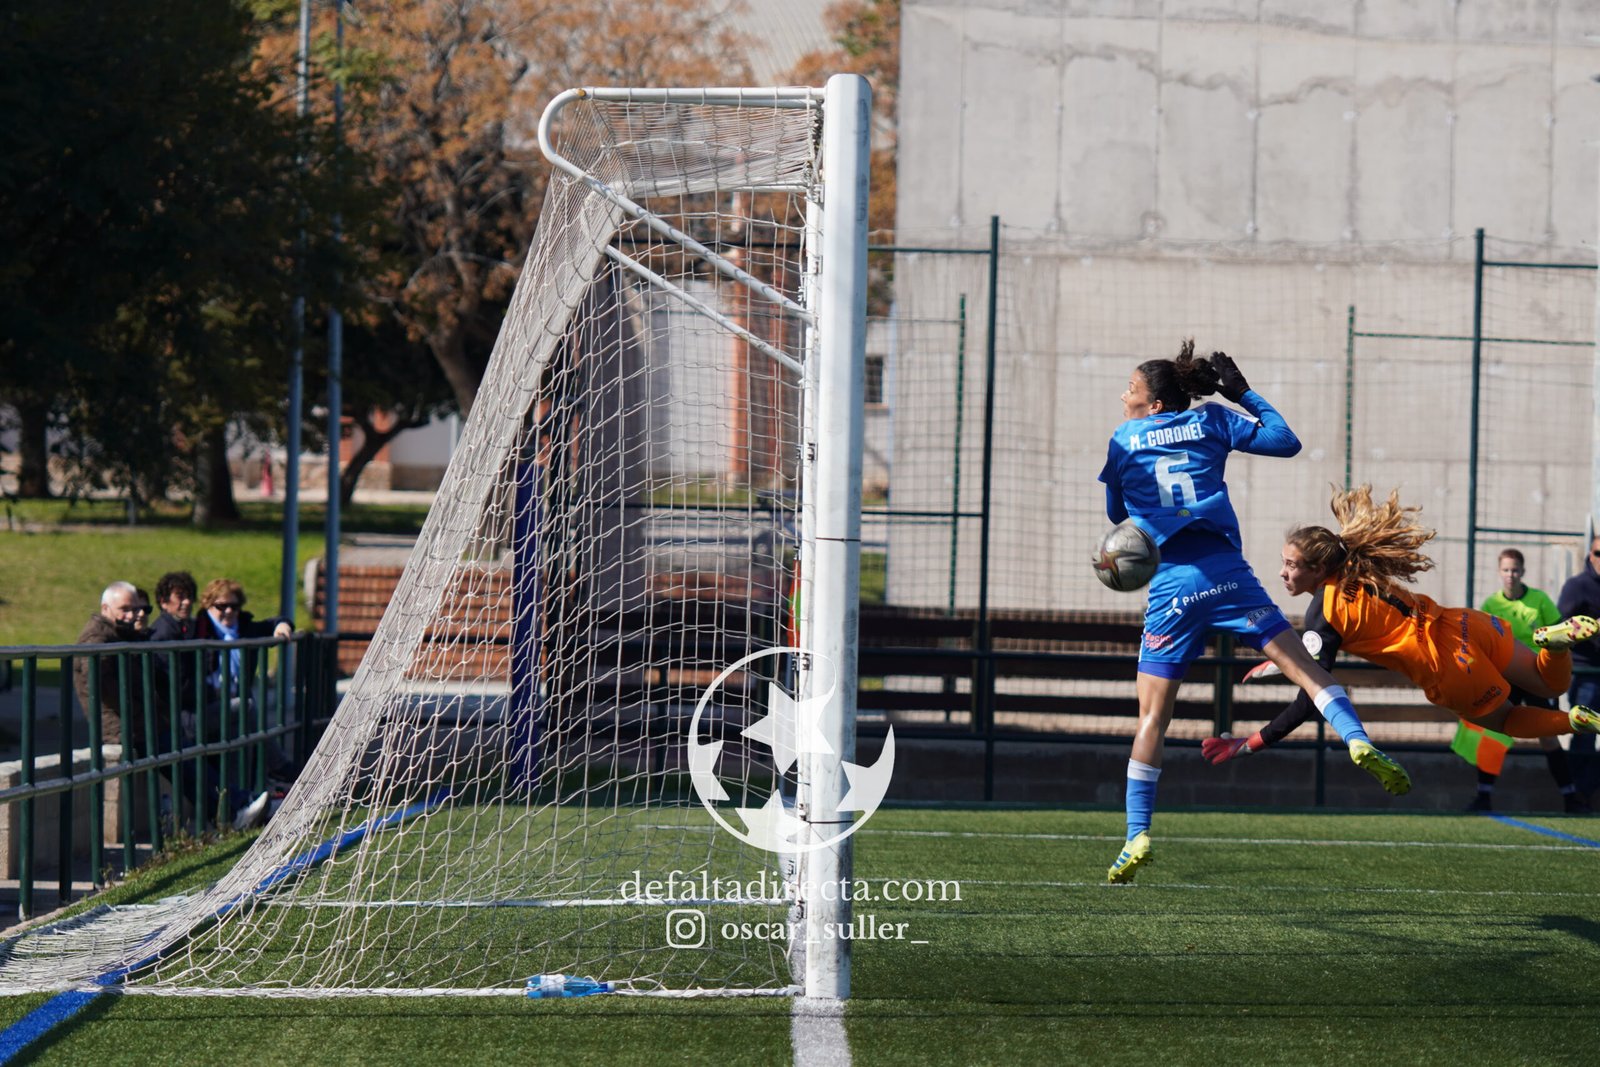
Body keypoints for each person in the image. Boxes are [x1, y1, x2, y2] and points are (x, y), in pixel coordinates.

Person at [1098, 343, 1410, 885]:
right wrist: (1242, 394)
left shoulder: (1124, 439)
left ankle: (1137, 833)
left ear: (1152, 405)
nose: (1123, 395)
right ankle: (1357, 739)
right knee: (1309, 673)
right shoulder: (1215, 419)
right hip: (1227, 576)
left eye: (1130, 388)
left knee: (1152, 717)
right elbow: (1285, 442)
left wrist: (1139, 532)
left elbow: (1117, 515)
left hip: (1171, 585)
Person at [1200, 487, 1600, 776]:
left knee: (1509, 721)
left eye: (1292, 564)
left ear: (1319, 570)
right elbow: (1316, 651)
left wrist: (1250, 743)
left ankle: (1574, 722)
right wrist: (1276, 666)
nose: (1283, 572)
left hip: (1448, 666)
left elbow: (1311, 700)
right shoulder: (1362, 566)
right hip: (1466, 624)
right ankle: (1555, 645)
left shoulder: (1324, 612)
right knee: (1550, 684)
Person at [1464, 548, 1585, 813]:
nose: (1511, 575)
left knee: (1549, 737)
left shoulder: (1539, 600)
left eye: (1515, 570)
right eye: (1506, 570)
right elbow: (1480, 643)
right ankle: (1483, 797)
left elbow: (1559, 635)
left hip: (1534, 676)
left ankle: (1570, 799)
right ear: (1499, 572)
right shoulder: (1491, 605)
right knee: (1494, 736)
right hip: (1505, 679)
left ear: (1523, 572)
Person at [72, 581, 149, 747]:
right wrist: (134, 707)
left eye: (134, 609)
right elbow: (97, 681)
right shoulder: (97, 637)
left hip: (136, 724)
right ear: (105, 608)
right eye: (124, 609)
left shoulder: (119, 634)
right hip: (120, 730)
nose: (131, 616)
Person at [1557, 534, 1600, 801]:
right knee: (1584, 734)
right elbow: (1564, 625)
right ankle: (1576, 797)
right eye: (1599, 553)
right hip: (1586, 674)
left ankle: (1588, 791)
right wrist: (1593, 630)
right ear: (1590, 555)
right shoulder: (1578, 586)